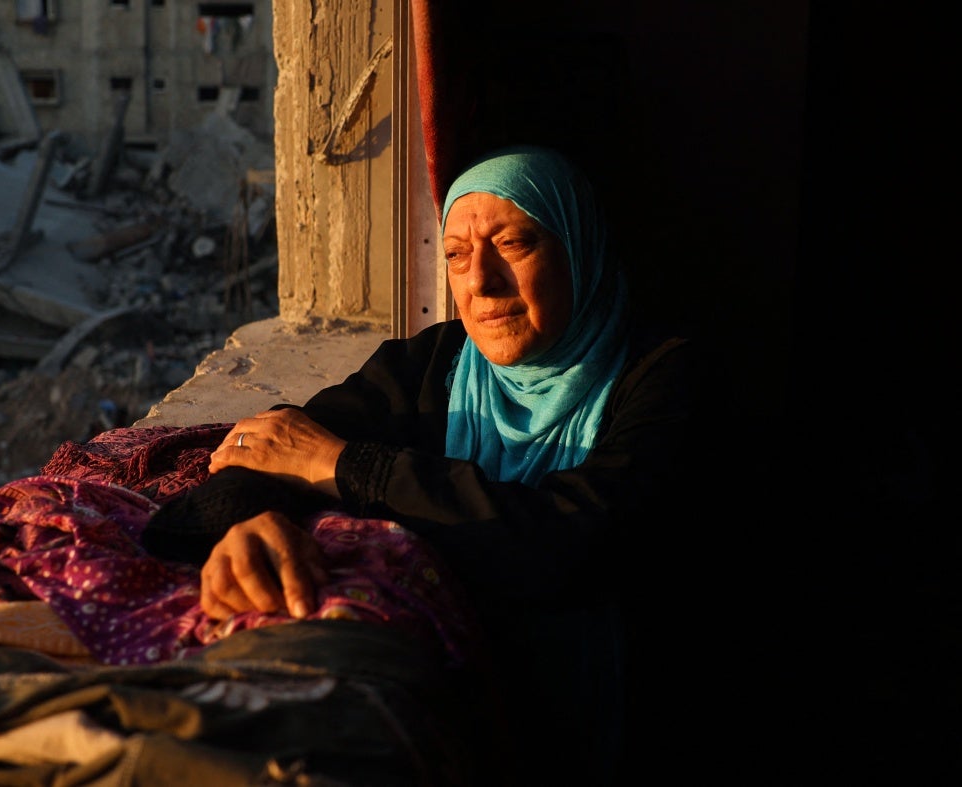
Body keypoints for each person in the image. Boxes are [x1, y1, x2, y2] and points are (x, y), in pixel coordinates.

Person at [143, 145, 703, 784]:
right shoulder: (441, 360)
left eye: (514, 245)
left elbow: (568, 539)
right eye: (458, 257)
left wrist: (352, 469)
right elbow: (279, 446)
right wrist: (253, 520)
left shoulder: (661, 377)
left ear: (579, 250)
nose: (482, 283)